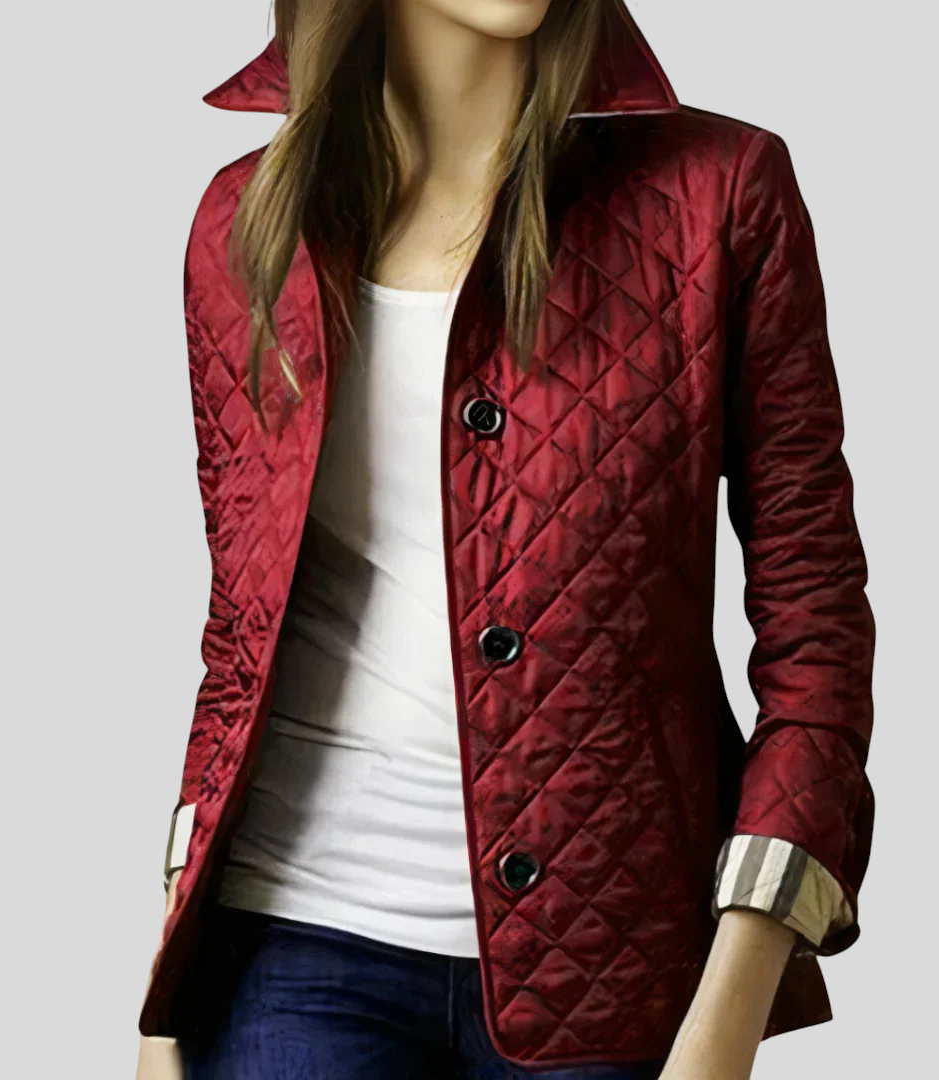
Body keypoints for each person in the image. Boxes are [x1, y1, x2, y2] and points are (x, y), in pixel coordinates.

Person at [136, 1, 876, 1077]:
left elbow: (818, 628)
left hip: (610, 965)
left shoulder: (721, 194)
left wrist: (731, 1001)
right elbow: (242, 637)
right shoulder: (244, 226)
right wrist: (162, 1002)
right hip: (288, 947)